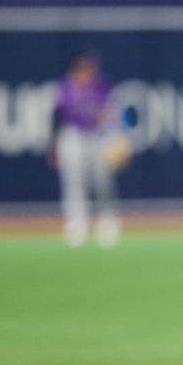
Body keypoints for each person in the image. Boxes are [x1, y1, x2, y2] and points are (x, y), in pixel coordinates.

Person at [50, 51, 124, 247]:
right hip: (72, 135)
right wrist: (53, 144)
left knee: (102, 181)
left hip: (97, 135)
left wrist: (114, 135)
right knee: (73, 182)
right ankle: (76, 224)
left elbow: (111, 113)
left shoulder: (101, 86)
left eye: (90, 69)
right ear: (76, 70)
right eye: (85, 69)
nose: (89, 72)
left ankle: (107, 222)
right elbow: (56, 116)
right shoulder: (65, 88)